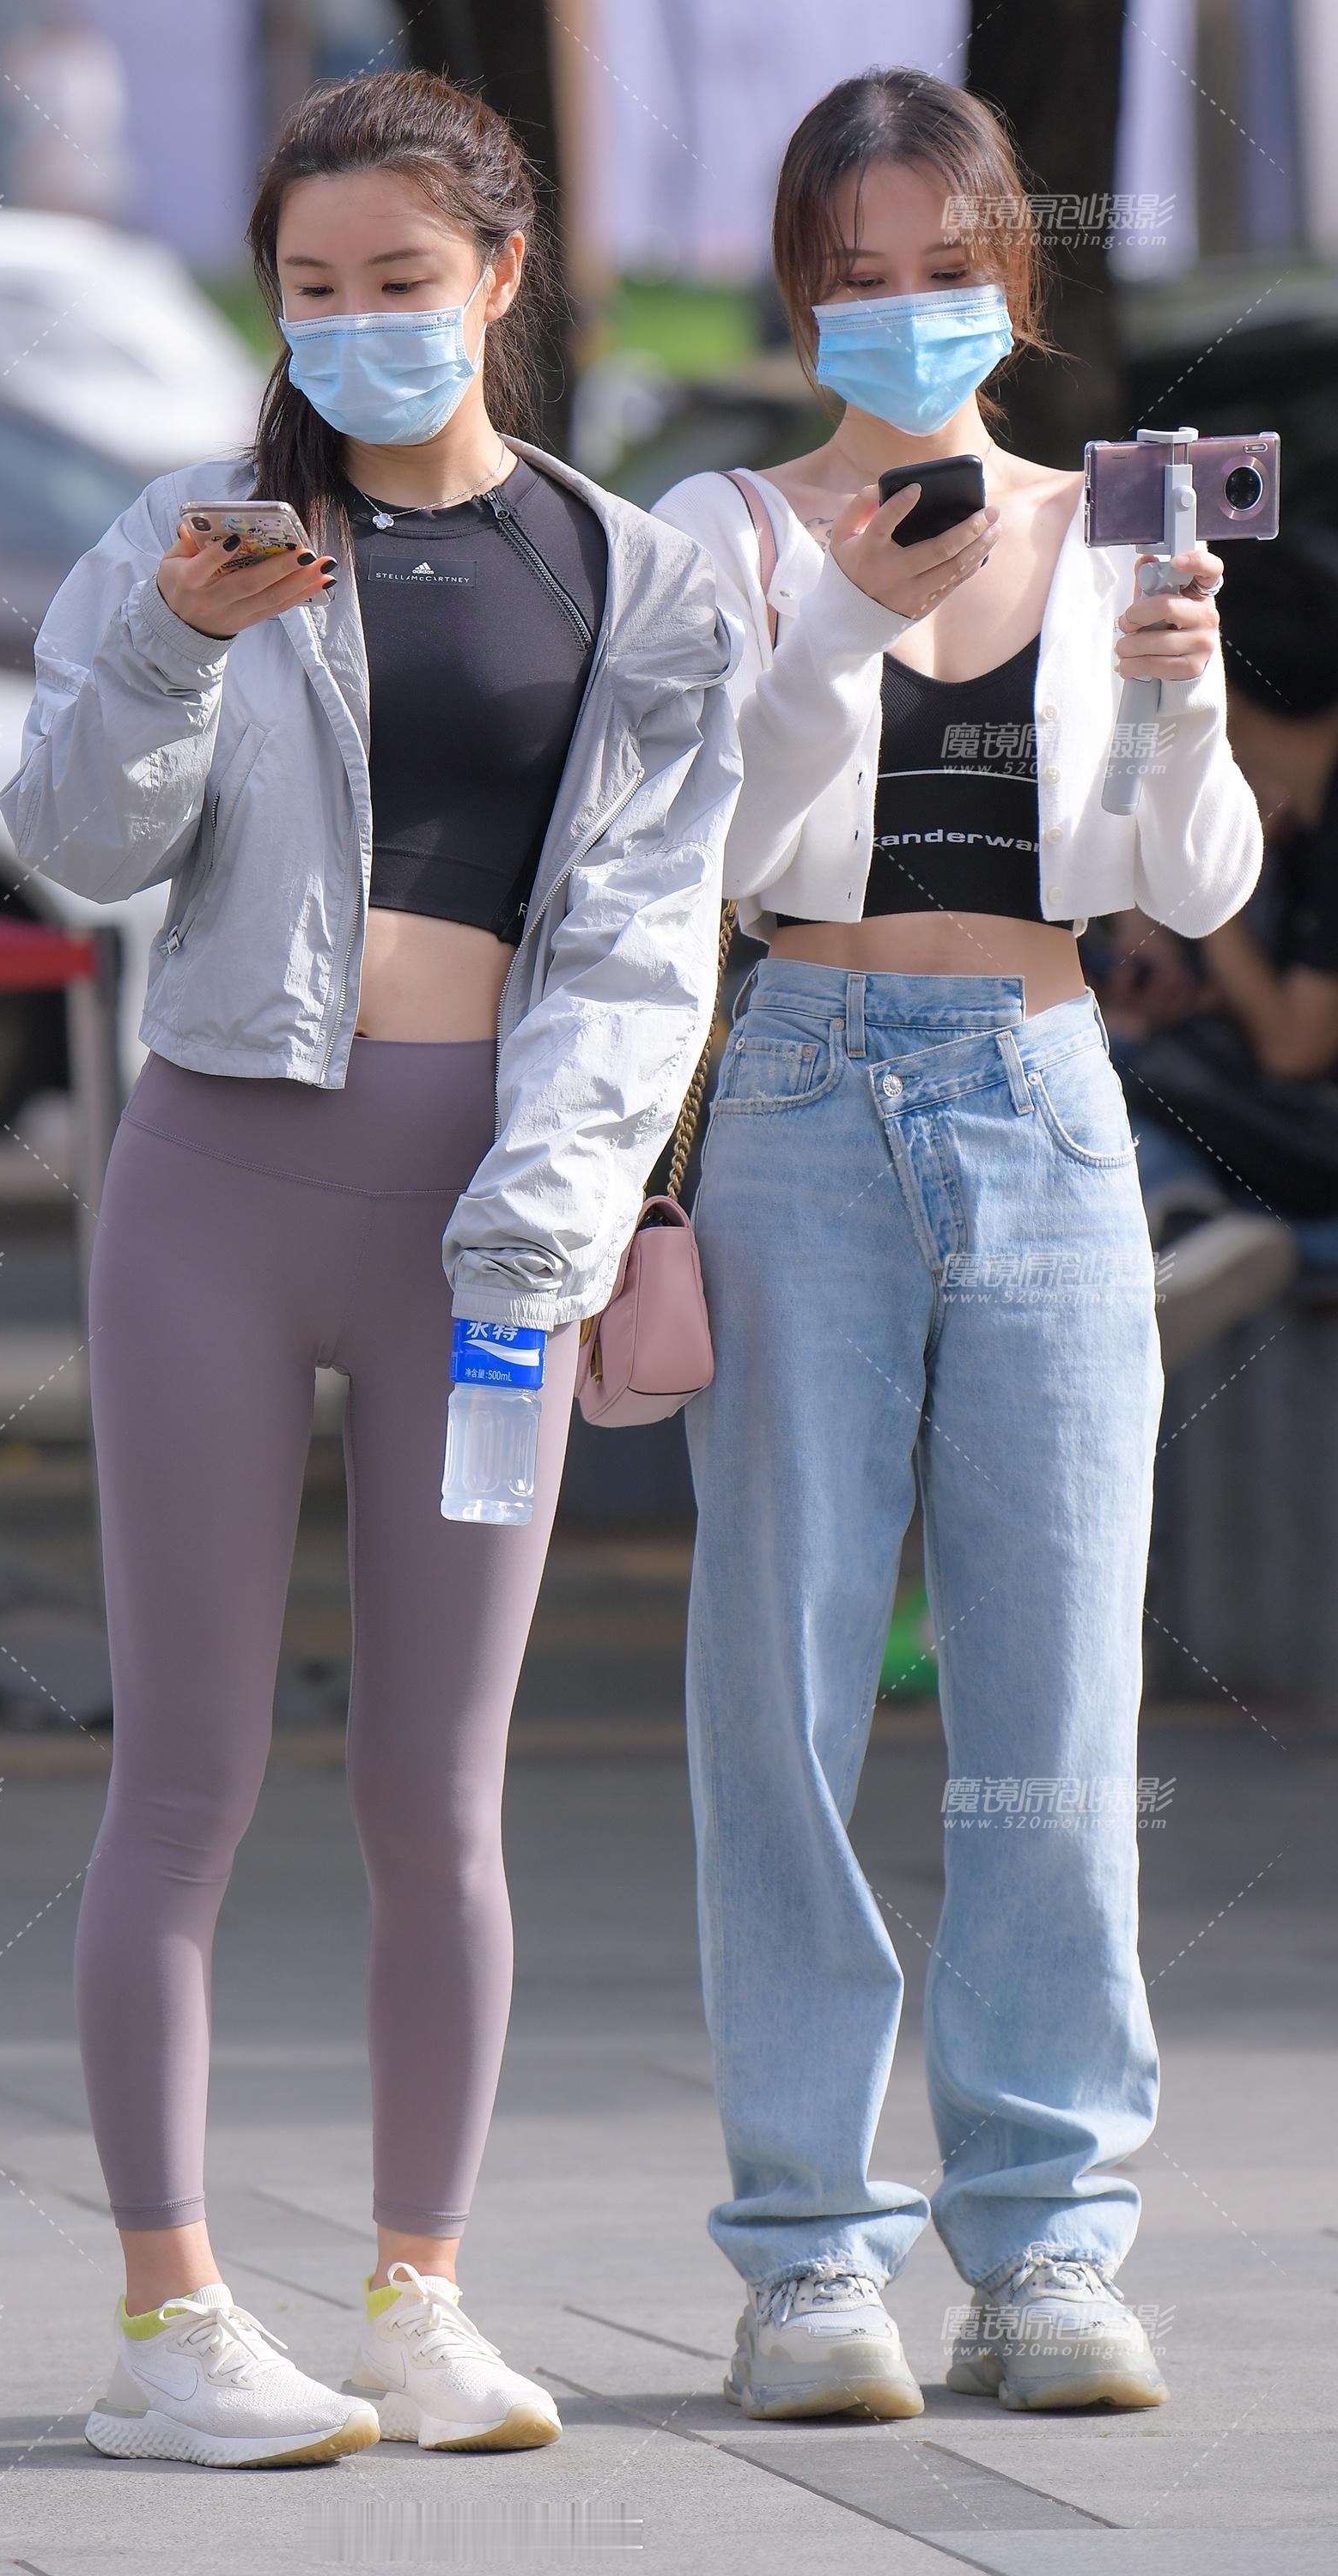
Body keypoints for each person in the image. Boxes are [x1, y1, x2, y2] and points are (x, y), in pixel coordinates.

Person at [0, 68, 748, 2469]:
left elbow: (647, 927)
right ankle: (168, 2321)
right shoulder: (189, 536)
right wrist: (169, 650)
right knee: (187, 1775)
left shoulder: (628, 571)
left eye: (401, 282)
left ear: (502, 279)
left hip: (491, 1213)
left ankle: (421, 2294)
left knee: (439, 1788)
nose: (354, 326)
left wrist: (559, 1197)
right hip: (215, 1188)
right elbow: (70, 833)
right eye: (310, 289)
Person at [654, 66, 1261, 2422]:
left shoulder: (1110, 525)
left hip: (1040, 1081)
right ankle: (808, 2251)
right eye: (856, 275)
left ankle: (1048, 2240)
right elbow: (717, 848)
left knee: (1055, 1696)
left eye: (943, 270)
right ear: (799, 291)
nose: (903, 312)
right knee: (780, 1684)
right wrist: (840, 624)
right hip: (801, 1086)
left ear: (1014, 283)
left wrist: (1184, 701)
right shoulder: (724, 530)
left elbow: (1182, 882)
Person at [1099, 530, 1338, 1364]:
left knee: (1104, 1054)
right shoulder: (1304, 809)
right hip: (1304, 1151)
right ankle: (1182, 1223)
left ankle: (1179, 1221)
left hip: (1321, 1184)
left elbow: (1291, 1047)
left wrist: (1204, 900)